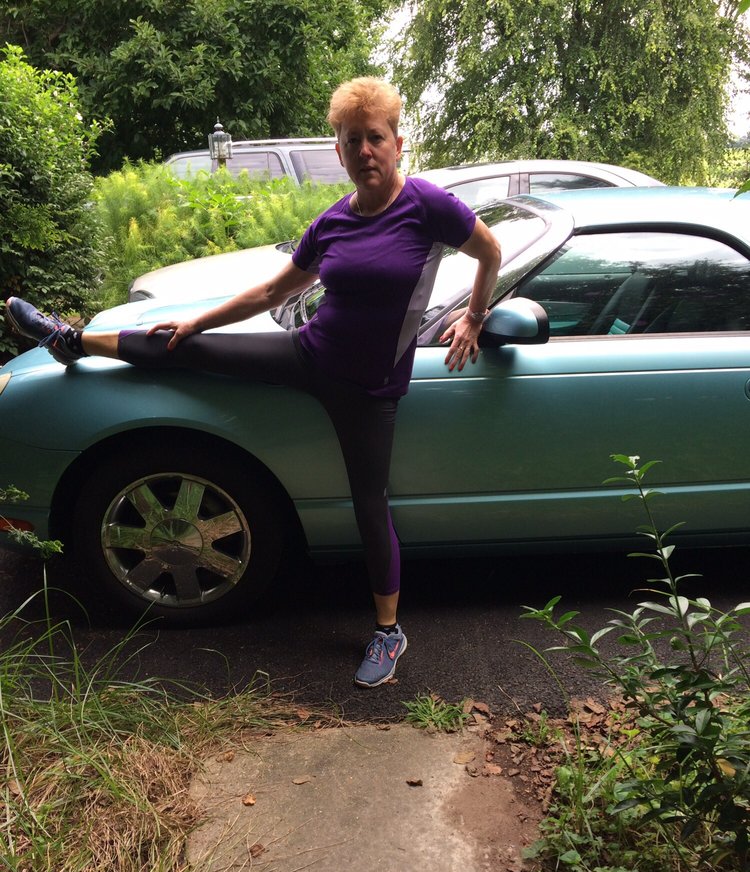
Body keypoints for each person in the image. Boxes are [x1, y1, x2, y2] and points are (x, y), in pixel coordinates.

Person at [5, 76, 502, 688]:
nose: (365, 151)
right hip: (308, 353)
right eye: (353, 140)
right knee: (185, 346)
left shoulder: (427, 205)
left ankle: (387, 631)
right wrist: (198, 320)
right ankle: (69, 339)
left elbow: (489, 253)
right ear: (339, 150)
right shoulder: (333, 222)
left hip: (369, 391)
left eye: (375, 138)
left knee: (370, 507)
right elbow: (271, 292)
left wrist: (473, 316)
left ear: (398, 144)